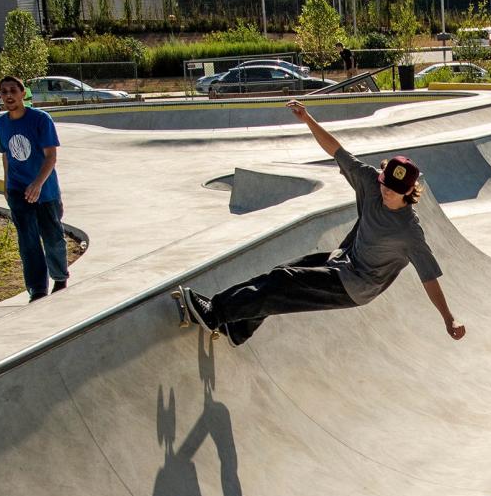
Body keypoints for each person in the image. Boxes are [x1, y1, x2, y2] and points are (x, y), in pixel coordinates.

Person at [179, 100, 464, 347]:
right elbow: (337, 151)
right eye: (384, 184)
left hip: (355, 286)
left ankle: (214, 313)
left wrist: (448, 318)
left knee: (282, 282)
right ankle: (239, 327)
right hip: (341, 261)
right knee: (281, 273)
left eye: (394, 189)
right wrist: (307, 119)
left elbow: (429, 277)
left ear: (408, 192)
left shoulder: (409, 232)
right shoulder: (368, 182)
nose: (386, 191)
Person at [0, 76, 69, 301]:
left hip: (45, 190)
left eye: (13, 91)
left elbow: (51, 156)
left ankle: (60, 277)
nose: (8, 96)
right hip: (17, 189)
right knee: (27, 241)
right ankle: (37, 289)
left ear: (22, 93)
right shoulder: (1, 123)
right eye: (4, 92)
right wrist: (6, 184)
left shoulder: (40, 119)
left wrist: (38, 183)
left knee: (52, 237)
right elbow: (6, 155)